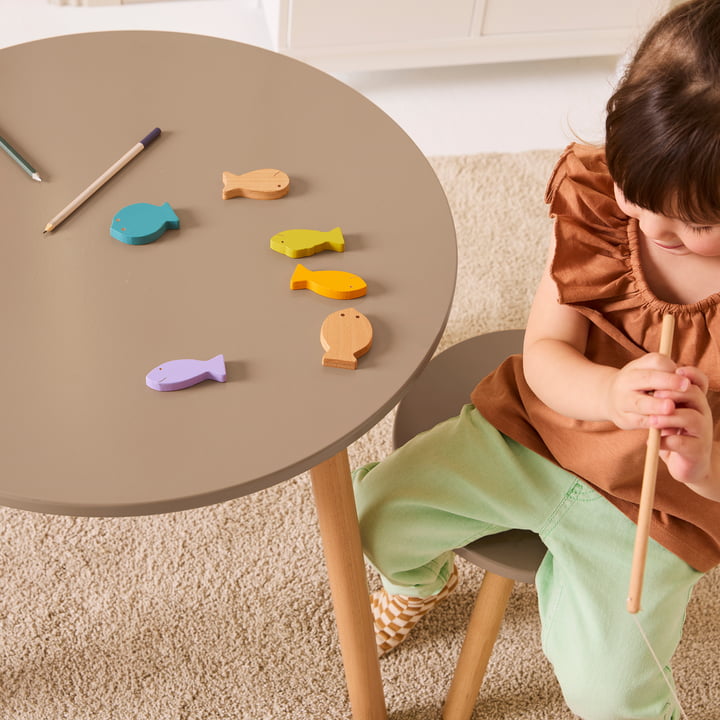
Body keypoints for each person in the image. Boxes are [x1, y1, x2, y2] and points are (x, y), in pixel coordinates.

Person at [351, 1, 720, 717]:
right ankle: (423, 584)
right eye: (639, 198)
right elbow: (546, 353)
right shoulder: (601, 213)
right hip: (531, 433)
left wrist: (702, 462)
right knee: (375, 513)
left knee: (611, 694)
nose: (657, 230)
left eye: (697, 224)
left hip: (654, 511)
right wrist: (611, 394)